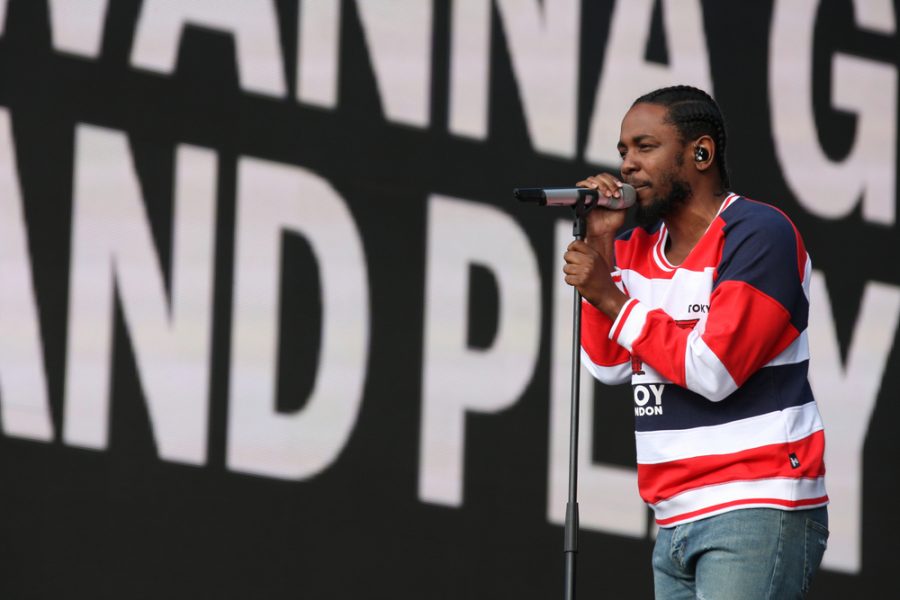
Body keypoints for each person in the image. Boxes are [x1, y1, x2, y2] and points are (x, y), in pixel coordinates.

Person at [562, 85, 829, 599]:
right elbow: (609, 364)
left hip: (754, 503)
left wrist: (608, 295)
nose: (628, 166)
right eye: (622, 152)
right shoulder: (636, 247)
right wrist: (601, 246)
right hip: (674, 516)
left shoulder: (758, 233)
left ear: (700, 153)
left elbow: (714, 370)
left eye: (645, 147)